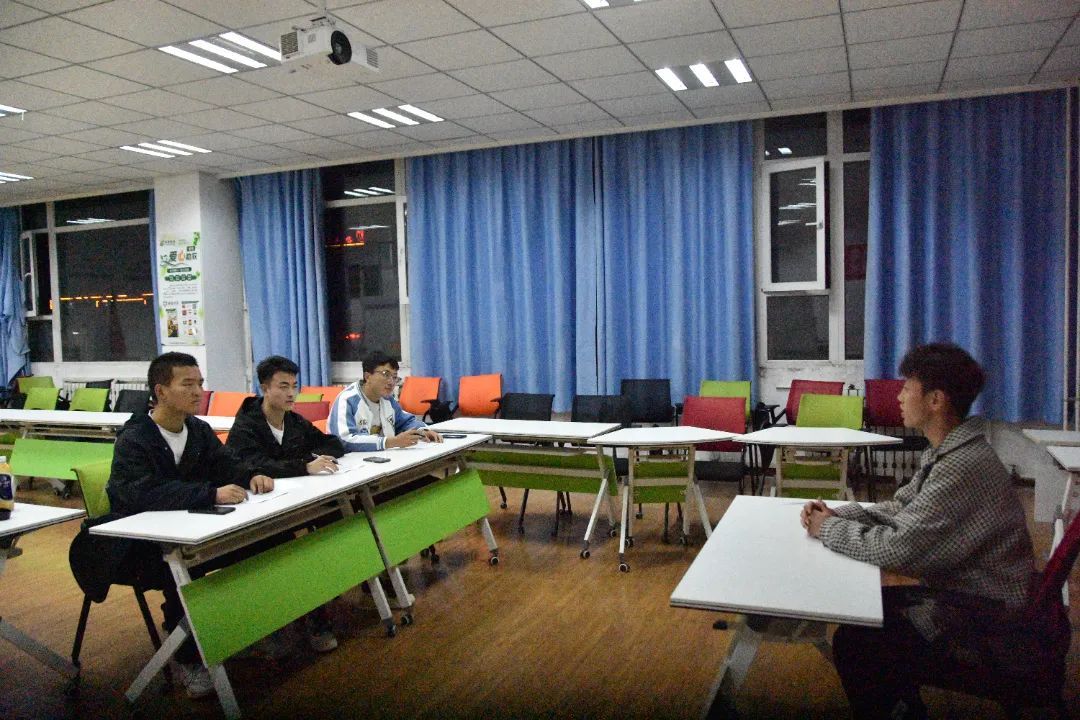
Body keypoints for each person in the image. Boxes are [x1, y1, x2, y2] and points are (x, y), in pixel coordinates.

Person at [800, 343, 1043, 719]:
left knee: (855, 641)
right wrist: (840, 515)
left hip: (983, 621)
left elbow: (898, 550)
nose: (898, 397)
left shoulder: (961, 466)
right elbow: (902, 507)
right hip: (969, 598)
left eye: (906, 388)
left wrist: (828, 528)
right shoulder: (951, 451)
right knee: (863, 617)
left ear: (935, 400)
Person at [108, 352, 276, 700]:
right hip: (140, 545)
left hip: (192, 530)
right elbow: (141, 493)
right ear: (161, 391)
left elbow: (227, 463)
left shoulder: (197, 430)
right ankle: (188, 657)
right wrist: (209, 493)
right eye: (188, 384)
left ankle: (236, 631)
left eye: (200, 383)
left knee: (261, 543)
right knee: (183, 569)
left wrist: (251, 476)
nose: (198, 391)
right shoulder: (135, 438)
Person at [226, 355, 346, 653]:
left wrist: (309, 459)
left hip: (296, 500)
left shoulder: (293, 421)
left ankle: (345, 586)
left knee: (338, 521)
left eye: (295, 386)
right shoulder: (246, 425)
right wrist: (303, 466)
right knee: (292, 551)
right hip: (256, 512)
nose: (292, 393)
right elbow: (249, 465)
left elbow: (332, 444)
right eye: (283, 386)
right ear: (264, 388)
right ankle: (300, 620)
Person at [328, 350, 442, 452]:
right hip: (352, 463)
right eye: (385, 375)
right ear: (367, 376)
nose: (391, 382)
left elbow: (406, 421)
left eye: (394, 377)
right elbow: (344, 440)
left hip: (385, 459)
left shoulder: (387, 399)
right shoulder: (348, 400)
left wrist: (422, 431)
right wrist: (391, 442)